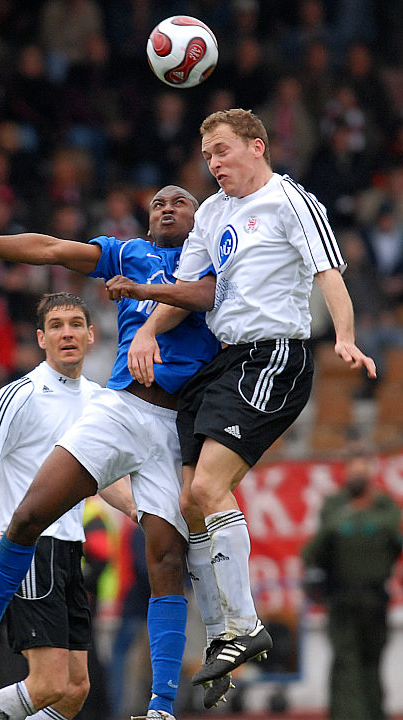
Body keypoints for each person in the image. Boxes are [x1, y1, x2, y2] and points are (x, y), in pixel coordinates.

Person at [0, 184, 226, 719]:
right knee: (31, 514)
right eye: (158, 204)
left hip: (177, 427)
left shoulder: (218, 260)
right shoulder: (128, 254)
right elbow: (50, 248)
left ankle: (161, 707)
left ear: (202, 216)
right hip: (126, 407)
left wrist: (134, 509)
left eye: (180, 202)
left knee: (163, 568)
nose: (168, 208)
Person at [103, 108, 377, 692]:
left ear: (257, 146)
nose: (214, 164)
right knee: (187, 500)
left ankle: (244, 627)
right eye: (207, 157)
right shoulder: (214, 214)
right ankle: (231, 630)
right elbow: (194, 289)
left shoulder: (290, 202)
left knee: (207, 489)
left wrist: (347, 337)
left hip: (274, 354)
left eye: (223, 151)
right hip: (226, 361)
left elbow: (329, 276)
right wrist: (149, 326)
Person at [0, 291, 136, 720]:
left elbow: (104, 478)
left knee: (76, 688)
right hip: (30, 551)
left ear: (91, 335)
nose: (67, 333)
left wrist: (140, 513)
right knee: (46, 684)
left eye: (75, 324)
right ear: (41, 338)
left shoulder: (99, 400)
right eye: (57, 325)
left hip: (70, 552)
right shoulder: (20, 395)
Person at [302, 454, 402, 720]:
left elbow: (391, 535)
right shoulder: (334, 505)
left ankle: (374, 713)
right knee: (346, 662)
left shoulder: (384, 504)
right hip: (342, 597)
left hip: (374, 597)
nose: (357, 476)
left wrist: (353, 520)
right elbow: (319, 545)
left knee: (372, 660)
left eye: (362, 471)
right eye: (352, 471)